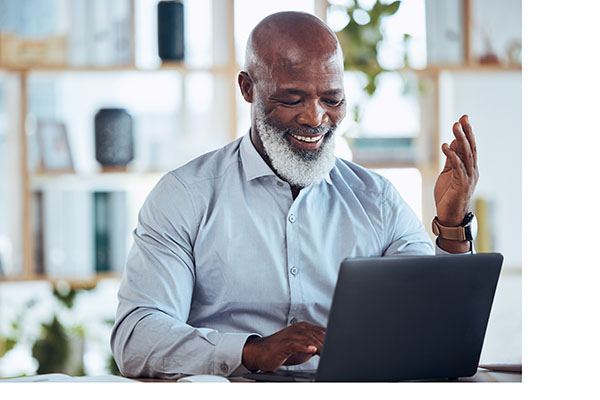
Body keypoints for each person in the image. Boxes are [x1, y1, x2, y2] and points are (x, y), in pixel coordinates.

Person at [110, 11, 479, 379]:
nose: (315, 118)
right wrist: (253, 350)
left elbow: (434, 327)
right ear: (248, 88)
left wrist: (450, 225)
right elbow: (136, 337)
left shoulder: (377, 200)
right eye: (292, 99)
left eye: (332, 100)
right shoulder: (185, 196)